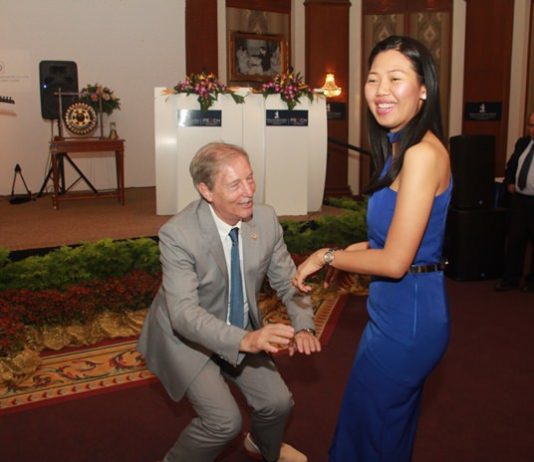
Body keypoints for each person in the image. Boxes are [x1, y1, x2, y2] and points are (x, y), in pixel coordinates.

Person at [292, 35, 452, 461]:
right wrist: (357, 249)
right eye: (373, 79)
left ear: (423, 89)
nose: (381, 90)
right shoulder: (402, 147)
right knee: (376, 427)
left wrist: (325, 255)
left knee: (373, 431)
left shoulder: (421, 154)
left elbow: (396, 261)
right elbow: (396, 238)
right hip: (395, 310)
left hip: (408, 316)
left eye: (395, 78)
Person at [137, 142, 321, 462]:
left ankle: (262, 445)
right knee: (224, 423)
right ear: (206, 190)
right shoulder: (178, 234)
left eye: (250, 178)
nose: (249, 191)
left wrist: (304, 326)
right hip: (187, 338)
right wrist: (246, 340)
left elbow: (287, 280)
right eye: (235, 184)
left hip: (239, 327)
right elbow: (183, 314)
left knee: (278, 403)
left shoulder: (265, 219)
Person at [494, 111, 534, 292]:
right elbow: (511, 166)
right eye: (530, 125)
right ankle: (510, 279)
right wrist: (509, 182)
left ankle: (531, 282)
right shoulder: (523, 143)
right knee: (515, 240)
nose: (532, 129)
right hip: (520, 200)